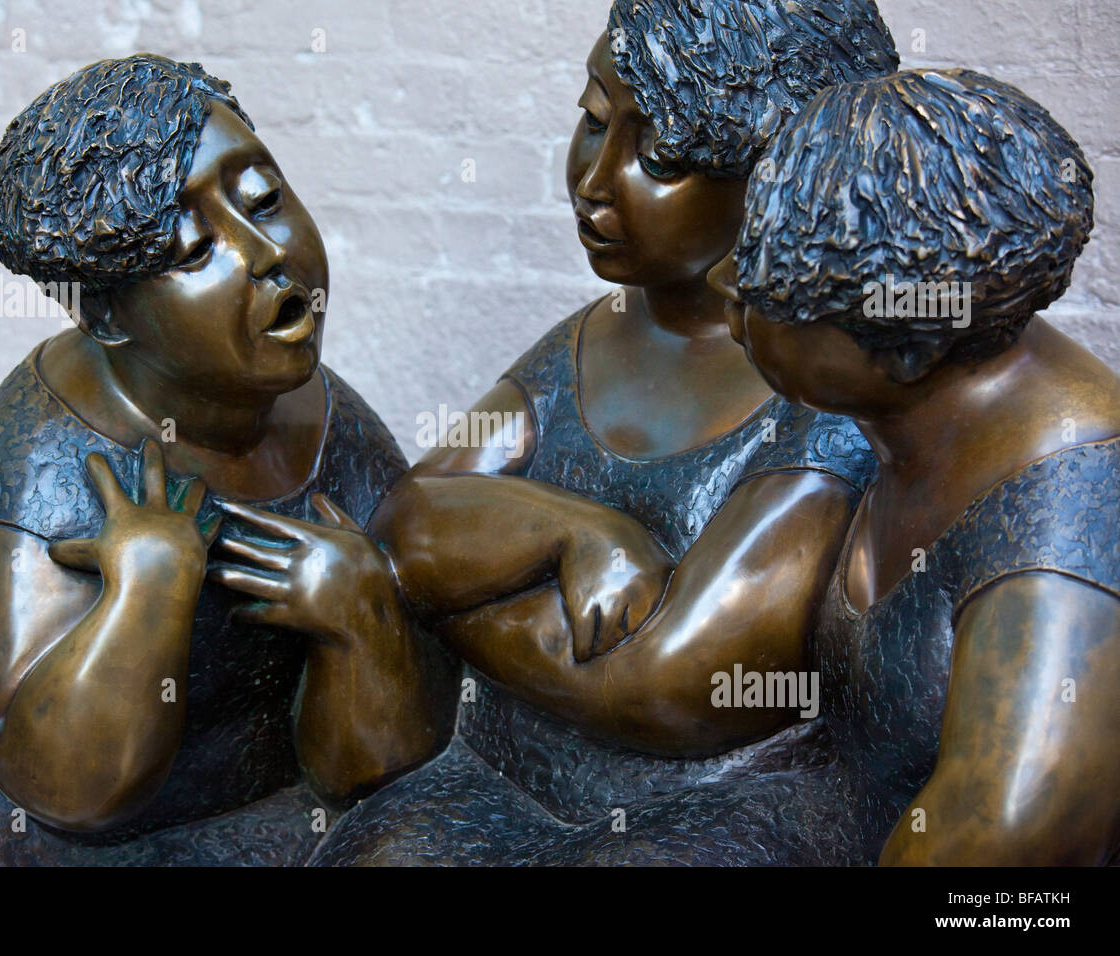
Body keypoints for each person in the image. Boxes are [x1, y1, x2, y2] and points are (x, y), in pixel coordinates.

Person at [0, 54, 452, 865]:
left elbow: (388, 759)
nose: (264, 252)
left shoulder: (323, 416)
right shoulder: (44, 462)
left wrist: (363, 622)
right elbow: (61, 783)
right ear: (109, 316)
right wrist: (146, 590)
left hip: (222, 804)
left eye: (263, 197)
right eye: (194, 252)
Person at [310, 0, 897, 865]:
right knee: (377, 850)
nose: (594, 179)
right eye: (593, 122)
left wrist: (436, 589)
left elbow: (673, 682)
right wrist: (572, 531)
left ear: (782, 175)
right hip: (505, 770)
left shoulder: (822, 388)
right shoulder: (595, 335)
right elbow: (403, 517)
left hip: (722, 800)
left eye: (657, 156)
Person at [706, 68, 1120, 865]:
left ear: (909, 346)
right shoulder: (911, 418)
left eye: (771, 291)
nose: (729, 291)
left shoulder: (1068, 521)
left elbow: (1006, 842)